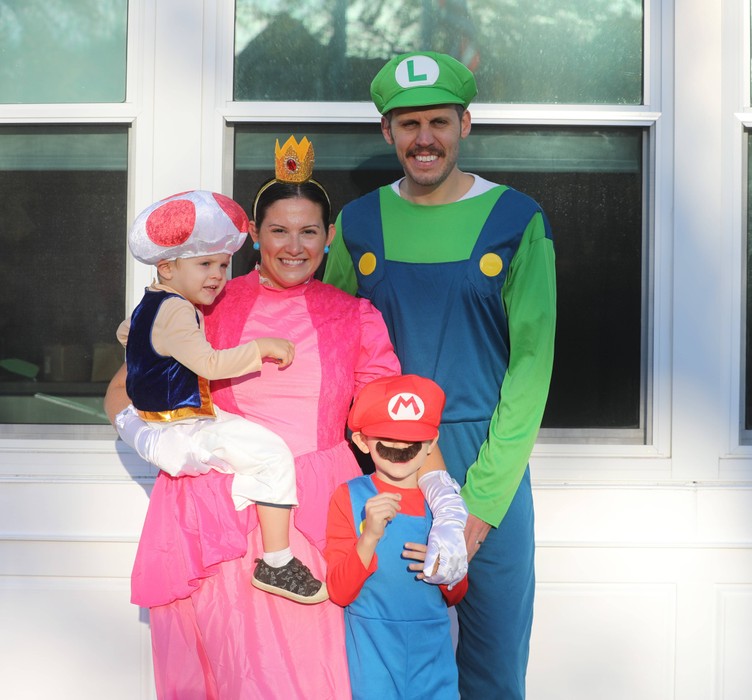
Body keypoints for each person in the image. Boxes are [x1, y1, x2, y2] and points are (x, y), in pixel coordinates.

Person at [104, 136, 403, 698]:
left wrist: (438, 493)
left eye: (309, 230)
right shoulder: (204, 306)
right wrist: (145, 438)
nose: (294, 245)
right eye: (278, 231)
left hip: (318, 512)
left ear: (329, 238)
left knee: (316, 676)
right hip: (220, 511)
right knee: (234, 670)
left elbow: (393, 420)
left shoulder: (355, 317)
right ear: (254, 238)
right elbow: (123, 388)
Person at [323, 51, 557, 699]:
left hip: (487, 460)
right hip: (382, 468)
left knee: (493, 664)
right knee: (381, 654)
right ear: (386, 133)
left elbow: (532, 369)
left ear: (465, 123)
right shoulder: (356, 225)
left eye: (438, 122)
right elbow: (328, 346)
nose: (424, 138)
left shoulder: (516, 221)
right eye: (407, 124)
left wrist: (479, 503)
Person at [116, 188, 326, 605]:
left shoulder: (152, 303)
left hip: (175, 420)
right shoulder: (178, 309)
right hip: (183, 426)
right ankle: (277, 560)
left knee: (251, 449)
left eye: (223, 264)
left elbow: (126, 334)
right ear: (167, 267)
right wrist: (261, 348)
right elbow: (210, 365)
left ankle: (248, 498)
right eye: (205, 264)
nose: (217, 275)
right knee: (274, 453)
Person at [325, 374, 468, 700]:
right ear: (362, 442)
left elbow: (458, 592)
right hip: (373, 650)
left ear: (431, 444)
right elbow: (339, 590)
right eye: (388, 442)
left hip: (433, 651)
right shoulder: (349, 497)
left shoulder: (442, 507)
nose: (400, 451)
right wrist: (369, 536)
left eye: (412, 443)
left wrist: (444, 572)